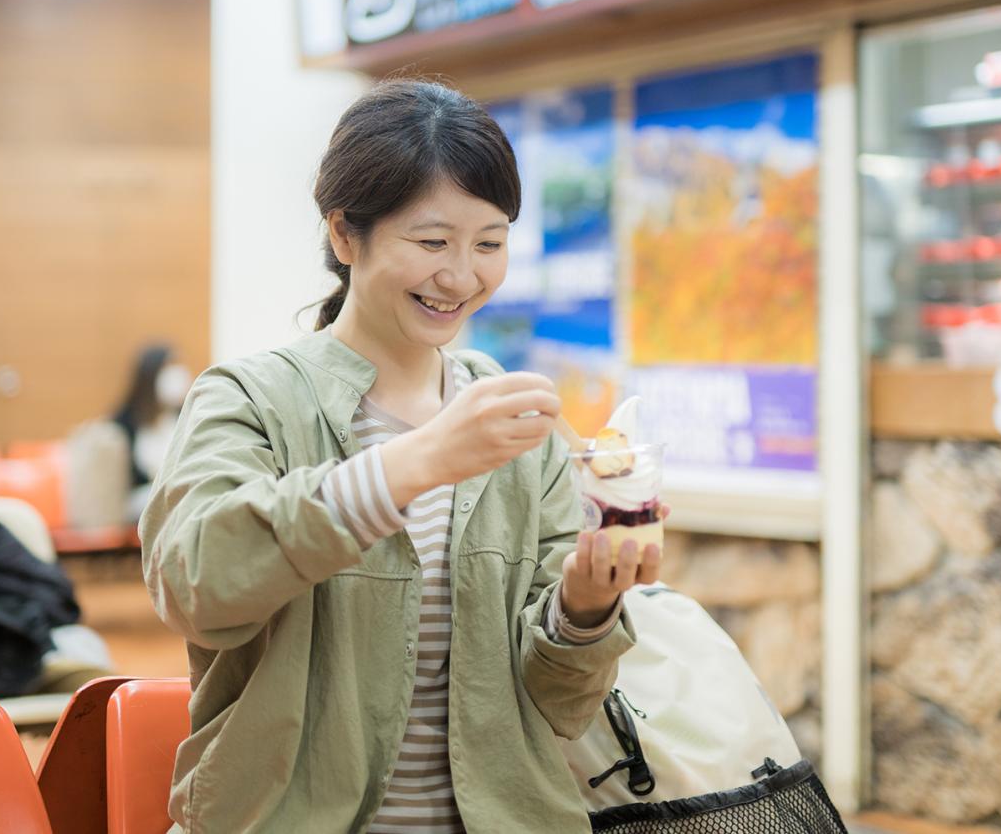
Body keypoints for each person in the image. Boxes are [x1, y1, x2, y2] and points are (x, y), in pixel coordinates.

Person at [139, 80, 664, 833]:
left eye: (489, 243)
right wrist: (415, 461)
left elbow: (561, 705)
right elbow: (194, 582)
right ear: (345, 235)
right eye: (432, 242)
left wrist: (584, 607)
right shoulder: (249, 398)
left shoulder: (516, 422)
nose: (462, 276)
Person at [112, 343, 191, 523]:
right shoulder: (125, 422)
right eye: (169, 366)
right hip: (142, 499)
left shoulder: (185, 417)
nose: (177, 373)